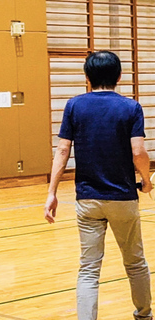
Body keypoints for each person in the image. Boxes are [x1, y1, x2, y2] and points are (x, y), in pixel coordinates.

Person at [44, 51, 153, 320]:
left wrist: (52, 193)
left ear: (87, 78)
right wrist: (147, 181)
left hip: (87, 199)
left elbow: (62, 150)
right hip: (123, 198)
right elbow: (138, 152)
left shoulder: (74, 106)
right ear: (119, 76)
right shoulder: (131, 108)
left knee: (89, 269)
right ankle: (144, 315)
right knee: (135, 263)